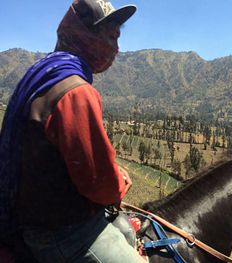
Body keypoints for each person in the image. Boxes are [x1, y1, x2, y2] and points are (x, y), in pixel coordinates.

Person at [0, 0, 145, 262]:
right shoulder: (76, 92)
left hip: (27, 216)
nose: (116, 48)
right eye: (111, 36)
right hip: (61, 233)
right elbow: (100, 186)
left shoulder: (44, 74)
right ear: (84, 34)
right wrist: (120, 182)